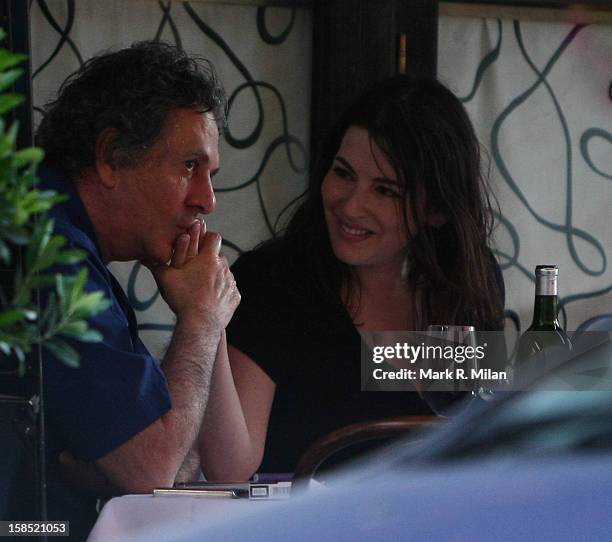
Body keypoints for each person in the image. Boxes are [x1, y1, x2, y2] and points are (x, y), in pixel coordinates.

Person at [198, 75, 505, 481]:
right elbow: (228, 469)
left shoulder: (464, 282)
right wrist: (205, 316)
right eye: (343, 174)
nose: (351, 205)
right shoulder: (275, 283)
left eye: (385, 191)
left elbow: (468, 443)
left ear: (437, 211)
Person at [34, 42, 240, 539]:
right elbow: (157, 473)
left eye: (209, 175)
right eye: (189, 165)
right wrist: (202, 318)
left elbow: (180, 465)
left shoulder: (67, 242)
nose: (206, 201)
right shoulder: (51, 255)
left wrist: (115, 462)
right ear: (109, 157)